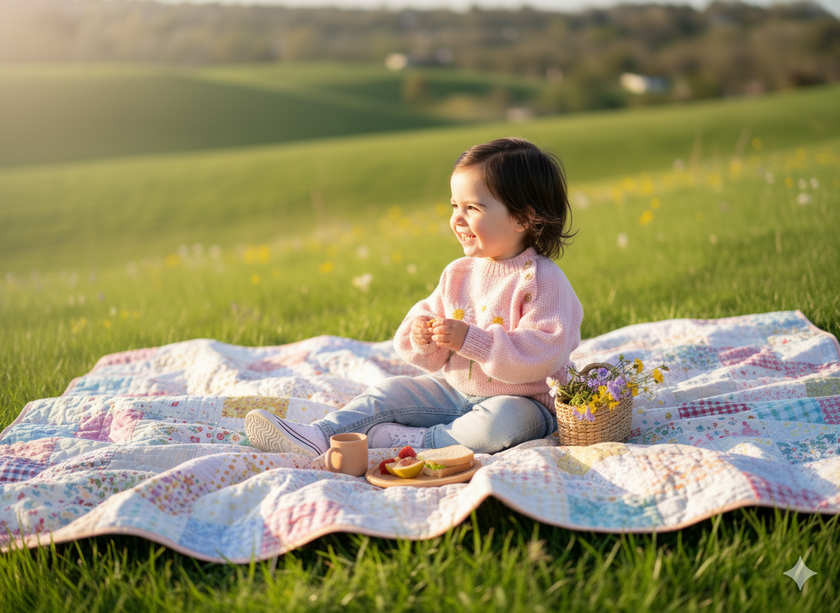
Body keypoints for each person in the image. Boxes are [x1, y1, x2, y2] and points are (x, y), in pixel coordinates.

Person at [245, 137, 583, 457]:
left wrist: (471, 340)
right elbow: (418, 333)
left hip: (522, 399)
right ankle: (320, 435)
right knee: (391, 391)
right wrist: (422, 336)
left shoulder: (542, 279)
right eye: (454, 206)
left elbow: (545, 351)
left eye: (473, 208)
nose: (457, 219)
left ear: (523, 218)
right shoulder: (459, 273)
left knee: (506, 424)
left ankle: (421, 440)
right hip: (455, 392)